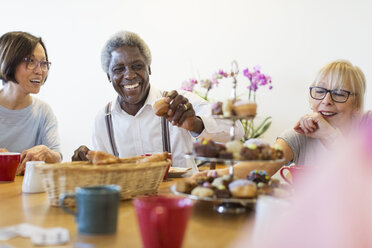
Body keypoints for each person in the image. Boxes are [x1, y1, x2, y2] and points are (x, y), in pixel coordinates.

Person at [72, 31, 243, 169]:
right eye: (118, 69)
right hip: (129, 208)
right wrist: (86, 164)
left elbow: (237, 131)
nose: (130, 75)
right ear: (109, 76)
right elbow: (104, 175)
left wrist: (196, 124)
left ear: (149, 68)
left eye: (137, 66)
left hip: (180, 202)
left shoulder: (180, 104)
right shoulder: (103, 120)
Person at [198, 60, 366, 178]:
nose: (326, 101)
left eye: (339, 93)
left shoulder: (367, 129)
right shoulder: (303, 133)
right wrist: (216, 175)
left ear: (356, 104)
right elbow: (264, 164)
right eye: (320, 91)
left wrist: (330, 135)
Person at [0, 31, 62, 175]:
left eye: (44, 63)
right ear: (8, 62)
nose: (40, 71)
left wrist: (46, 152)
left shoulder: (43, 111)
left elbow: (57, 158)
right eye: (31, 62)